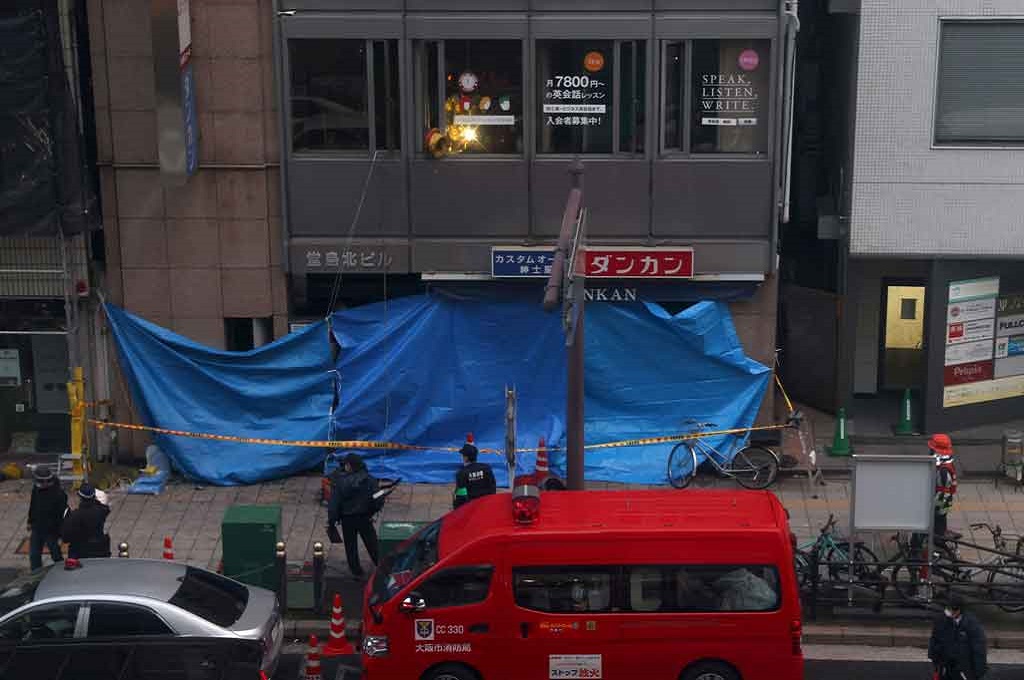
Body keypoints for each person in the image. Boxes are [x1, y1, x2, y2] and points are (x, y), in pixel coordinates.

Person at [327, 453, 380, 578]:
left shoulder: (340, 483)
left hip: (347, 519)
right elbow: (378, 497)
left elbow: (334, 503)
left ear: (350, 466)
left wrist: (332, 521)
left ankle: (356, 571)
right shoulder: (370, 480)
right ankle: (381, 566)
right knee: (372, 544)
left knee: (350, 546)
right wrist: (372, 510)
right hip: (365, 517)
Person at [928, 594, 987, 679]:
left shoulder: (972, 624)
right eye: (949, 609)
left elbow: (979, 649)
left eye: (953, 610)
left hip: (963, 669)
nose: (950, 612)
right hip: (946, 666)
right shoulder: (941, 620)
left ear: (960, 610)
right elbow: (935, 639)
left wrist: (978, 672)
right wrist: (934, 659)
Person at [27, 466, 66, 571]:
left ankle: (62, 572)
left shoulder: (59, 494)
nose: (43, 484)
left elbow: (61, 515)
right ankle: (35, 574)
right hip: (37, 527)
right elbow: (33, 505)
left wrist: (60, 534)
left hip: (51, 531)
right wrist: (30, 520)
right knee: (34, 555)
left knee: (55, 554)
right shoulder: (36, 489)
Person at [61, 483, 111, 559]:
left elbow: (66, 538)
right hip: (100, 551)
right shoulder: (101, 511)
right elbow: (104, 507)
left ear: (80, 498)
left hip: (80, 553)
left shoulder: (75, 516)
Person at [453, 441, 496, 509]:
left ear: (466, 458)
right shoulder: (487, 468)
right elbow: (493, 488)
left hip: (471, 508)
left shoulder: (461, 473)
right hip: (487, 505)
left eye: (463, 455)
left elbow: (460, 498)